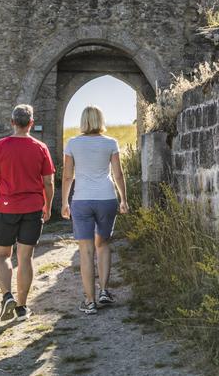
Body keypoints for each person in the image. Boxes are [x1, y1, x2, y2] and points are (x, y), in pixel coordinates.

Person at [0, 104, 55, 322]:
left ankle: (7, 295)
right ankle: (22, 308)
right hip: (33, 207)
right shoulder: (41, 147)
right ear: (31, 123)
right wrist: (48, 205)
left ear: (12, 122)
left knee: (2, 255)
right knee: (25, 257)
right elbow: (49, 182)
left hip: (6, 207)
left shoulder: (0, 146)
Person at [60, 105, 130, 314]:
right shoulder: (110, 143)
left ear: (83, 121)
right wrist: (124, 199)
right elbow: (118, 174)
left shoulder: (72, 143)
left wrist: (64, 202)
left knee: (86, 250)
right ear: (101, 120)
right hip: (106, 198)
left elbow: (67, 176)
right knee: (103, 244)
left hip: (81, 200)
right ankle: (104, 291)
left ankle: (90, 302)